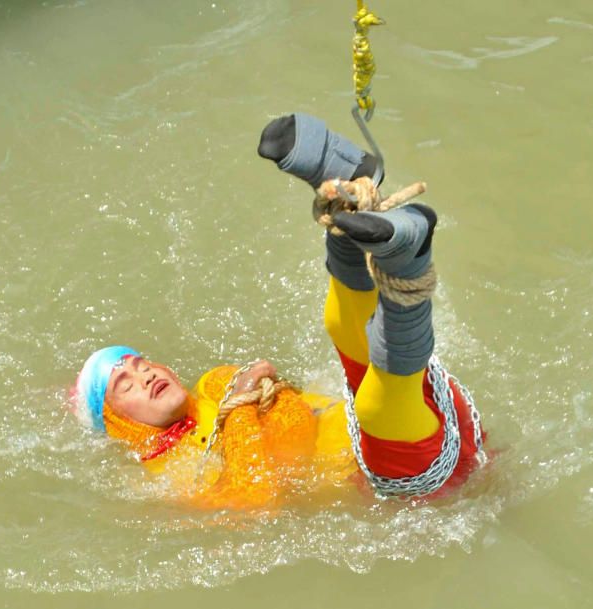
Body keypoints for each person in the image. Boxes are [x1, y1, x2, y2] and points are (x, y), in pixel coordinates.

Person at [72, 113, 487, 508]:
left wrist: (242, 400)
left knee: (346, 341)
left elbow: (273, 401)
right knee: (374, 408)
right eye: (123, 385)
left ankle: (345, 197)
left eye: (139, 363)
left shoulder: (216, 385)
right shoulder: (165, 476)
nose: (143, 375)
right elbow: (256, 501)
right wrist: (240, 413)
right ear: (116, 422)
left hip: (419, 420)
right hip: (419, 479)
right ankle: (404, 262)